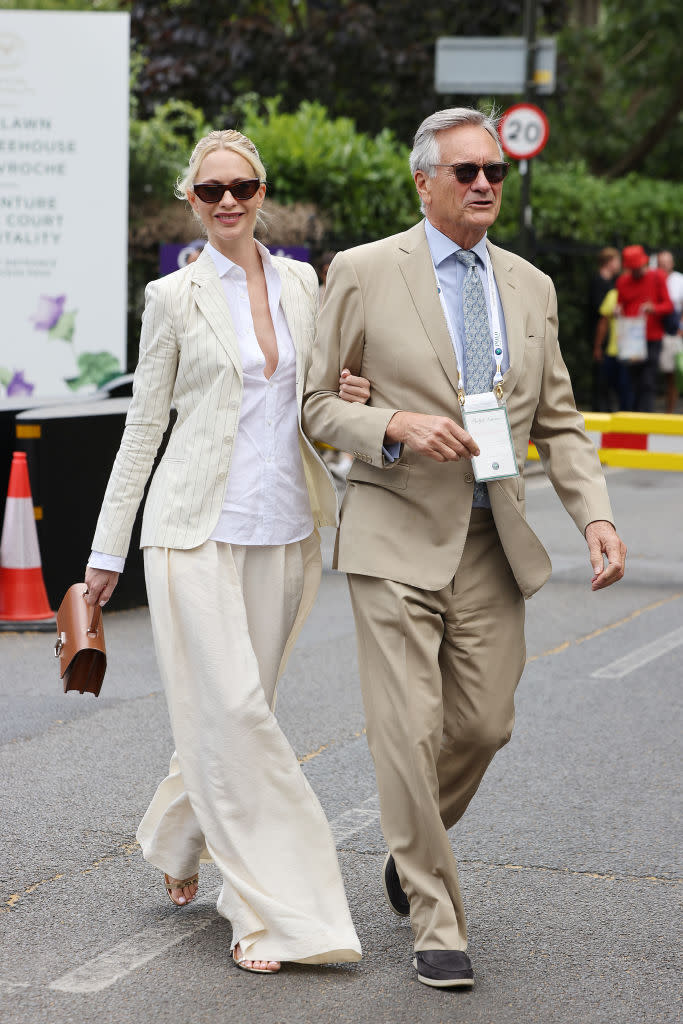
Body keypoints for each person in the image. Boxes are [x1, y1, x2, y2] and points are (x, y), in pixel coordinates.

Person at [303, 107, 627, 990]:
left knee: (483, 724)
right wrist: (394, 425)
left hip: (494, 537)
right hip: (394, 529)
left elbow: (559, 421)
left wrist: (592, 516)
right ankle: (436, 920)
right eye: (463, 172)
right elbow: (316, 406)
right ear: (423, 182)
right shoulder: (365, 272)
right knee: (405, 732)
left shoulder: (530, 283)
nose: (482, 183)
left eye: (490, 170)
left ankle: (413, 849)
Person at [84, 129, 369, 975]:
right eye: (210, 191)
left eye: (240, 186)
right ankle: (265, 909)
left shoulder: (301, 284)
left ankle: (177, 836)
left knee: (239, 713)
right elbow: (144, 430)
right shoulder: (172, 298)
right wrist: (105, 554)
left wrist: (352, 398)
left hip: (286, 529)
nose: (228, 202)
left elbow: (318, 402)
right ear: (192, 201)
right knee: (239, 716)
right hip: (191, 532)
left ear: (261, 190)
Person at [615, 245, 673, 412]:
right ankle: (634, 417)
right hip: (631, 340)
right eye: (633, 269)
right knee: (633, 381)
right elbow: (620, 304)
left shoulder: (657, 277)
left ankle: (645, 416)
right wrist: (617, 310)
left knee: (648, 381)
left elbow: (668, 305)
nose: (636, 272)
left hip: (652, 337)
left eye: (638, 268)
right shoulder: (623, 282)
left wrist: (653, 308)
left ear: (644, 263)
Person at [588, 247, 621, 410]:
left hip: (611, 337)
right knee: (600, 376)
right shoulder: (598, 282)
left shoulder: (613, 282)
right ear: (609, 262)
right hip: (600, 336)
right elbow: (600, 312)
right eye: (616, 260)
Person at [656, 250, 683, 414]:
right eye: (661, 263)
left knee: (673, 374)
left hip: (674, 333)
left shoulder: (679, 280)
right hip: (657, 333)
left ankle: (670, 412)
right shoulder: (654, 278)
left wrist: (681, 329)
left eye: (667, 262)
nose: (664, 266)